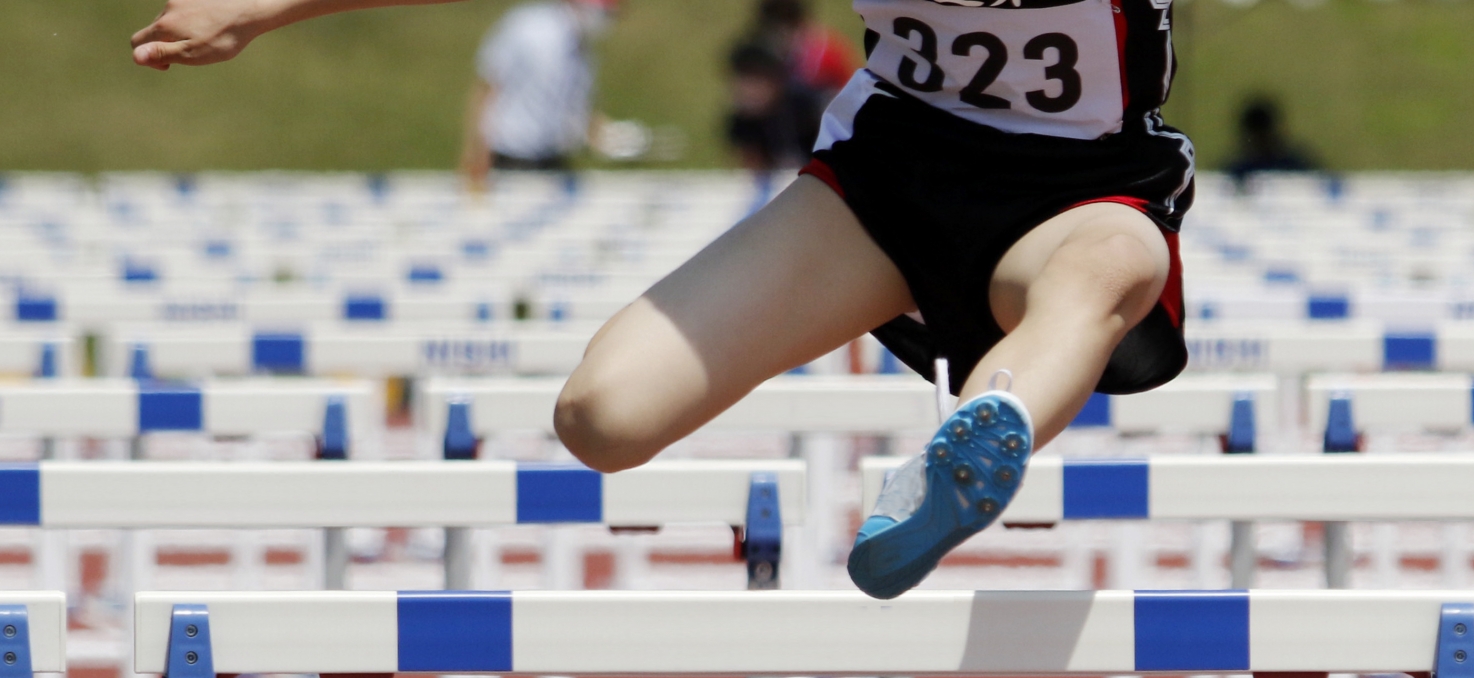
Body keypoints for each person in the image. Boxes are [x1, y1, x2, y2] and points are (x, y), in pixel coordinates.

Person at [132, 0, 1192, 601]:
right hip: (885, 180)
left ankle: (974, 442)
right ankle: (981, 426)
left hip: (1078, 183)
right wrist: (263, 8)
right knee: (603, 415)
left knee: (1104, 270)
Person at [459, 0, 622, 184]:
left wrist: (604, 135)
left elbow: (571, 103)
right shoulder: (529, 28)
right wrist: (477, 151)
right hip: (511, 155)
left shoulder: (582, 47)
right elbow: (488, 85)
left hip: (552, 156)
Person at [724, 39, 820, 173]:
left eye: (755, 80)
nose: (748, 89)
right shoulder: (743, 120)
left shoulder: (804, 106)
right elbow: (753, 170)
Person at [1226, 97, 1319, 184]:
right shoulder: (1237, 171)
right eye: (1256, 137)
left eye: (1262, 136)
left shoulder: (1296, 166)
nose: (1260, 142)